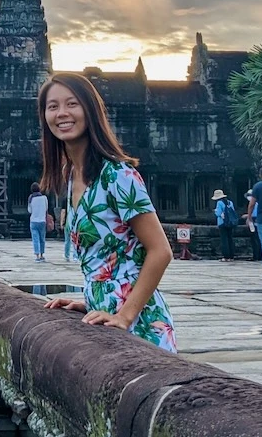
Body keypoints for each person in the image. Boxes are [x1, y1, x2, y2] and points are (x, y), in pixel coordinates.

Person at [39, 72, 177, 353]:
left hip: (139, 322)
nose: (62, 113)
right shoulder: (71, 177)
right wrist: (89, 300)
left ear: (90, 110)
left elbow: (161, 251)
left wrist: (124, 315)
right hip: (103, 316)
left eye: (72, 104)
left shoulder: (117, 174)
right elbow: (103, 260)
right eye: (53, 106)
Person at [211, 189, 236, 261]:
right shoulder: (229, 202)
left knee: (224, 240)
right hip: (230, 223)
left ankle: (226, 256)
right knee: (230, 239)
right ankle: (231, 256)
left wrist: (215, 211)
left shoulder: (219, 203)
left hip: (222, 223)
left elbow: (218, 213)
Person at [27, 182, 48, 262]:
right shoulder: (44, 198)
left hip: (33, 221)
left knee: (35, 239)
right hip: (42, 220)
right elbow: (46, 209)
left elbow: (29, 210)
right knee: (42, 238)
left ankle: (37, 256)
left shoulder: (31, 198)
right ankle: (42, 254)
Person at [243, 189, 262, 261]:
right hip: (258, 222)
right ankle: (259, 256)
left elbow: (254, 214)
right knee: (258, 240)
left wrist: (248, 217)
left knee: (255, 240)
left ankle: (256, 256)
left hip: (254, 222)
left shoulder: (254, 204)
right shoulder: (259, 203)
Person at [59, 195, 77, 262]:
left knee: (67, 240)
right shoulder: (77, 198)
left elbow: (63, 212)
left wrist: (61, 222)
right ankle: (75, 256)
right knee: (76, 240)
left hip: (67, 222)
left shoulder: (65, 199)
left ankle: (67, 255)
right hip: (76, 221)